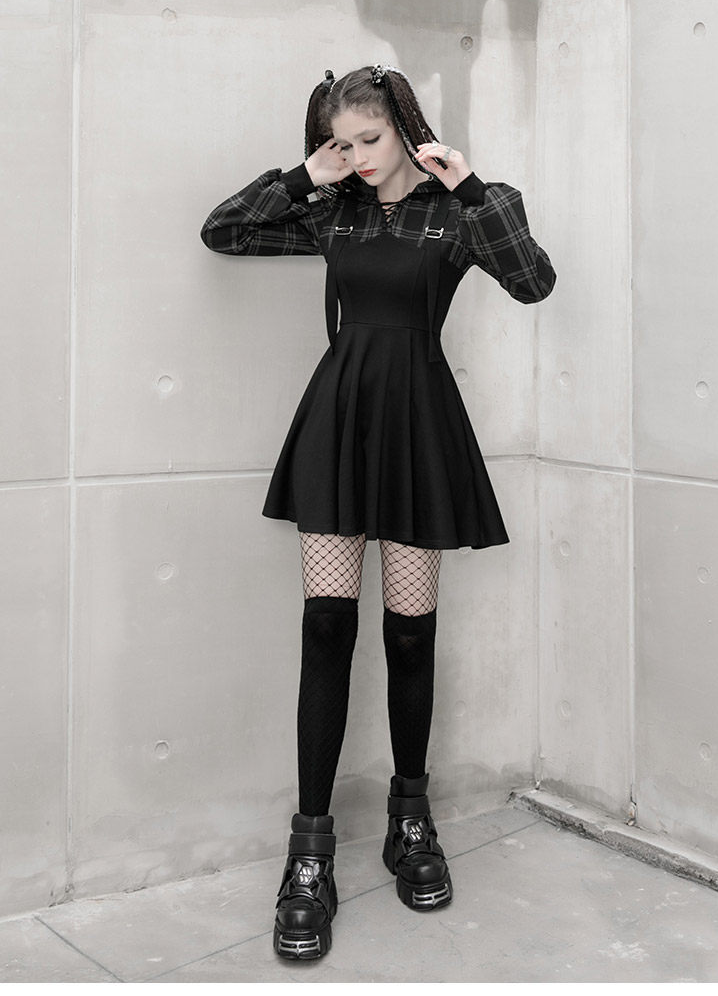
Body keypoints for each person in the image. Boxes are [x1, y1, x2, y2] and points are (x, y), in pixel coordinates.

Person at [200, 63, 556, 961]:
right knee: (327, 626)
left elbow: (533, 280)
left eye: (369, 138)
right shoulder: (332, 210)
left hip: (418, 423)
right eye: (340, 142)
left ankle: (410, 819)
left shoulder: (461, 210)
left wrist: (468, 184)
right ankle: (309, 853)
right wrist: (303, 176)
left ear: (405, 127)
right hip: (340, 419)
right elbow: (224, 230)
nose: (357, 155)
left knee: (409, 635)